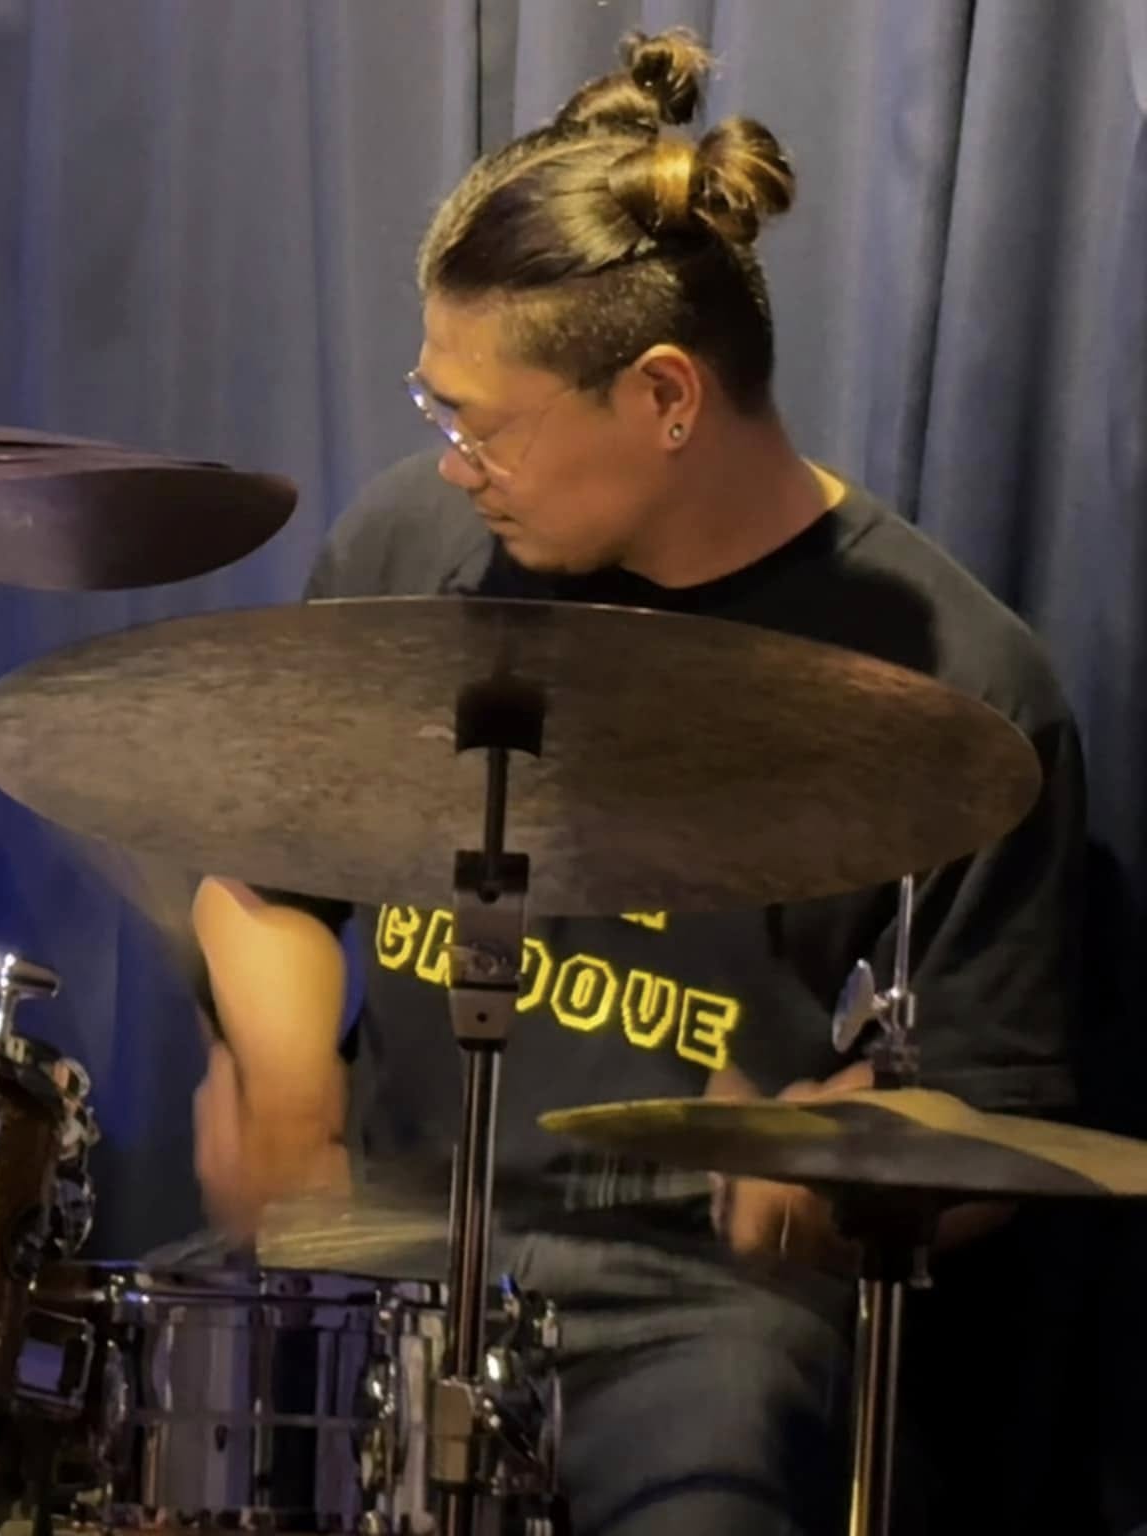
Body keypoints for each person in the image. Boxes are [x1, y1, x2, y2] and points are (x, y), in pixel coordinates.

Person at [188, 29, 1085, 1536]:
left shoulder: (964, 687)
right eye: (436, 410)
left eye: (486, 426)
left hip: (696, 1307)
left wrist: (839, 1168)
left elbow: (996, 1117)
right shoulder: (415, 549)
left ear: (667, 395)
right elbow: (259, 888)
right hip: (393, 1249)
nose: (454, 462)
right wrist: (280, 1069)